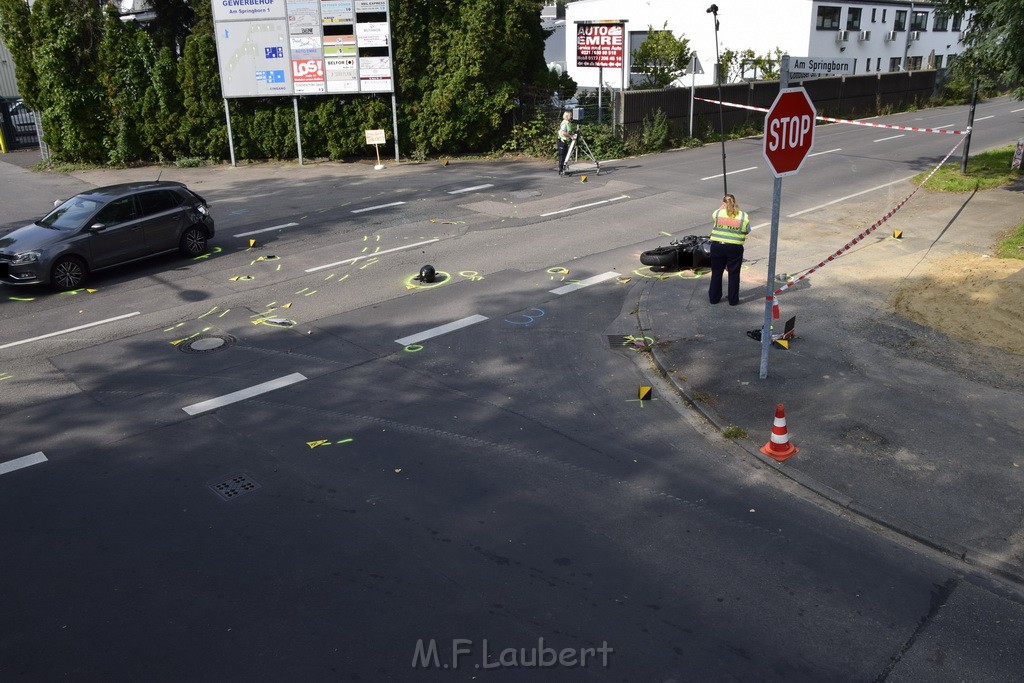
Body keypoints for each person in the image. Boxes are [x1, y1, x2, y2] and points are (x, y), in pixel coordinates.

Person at [708, 194, 750, 306]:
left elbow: (716, 219)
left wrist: (721, 208)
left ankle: (714, 298)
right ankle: (733, 300)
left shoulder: (717, 213)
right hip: (734, 248)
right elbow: (747, 230)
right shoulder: (743, 216)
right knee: (734, 274)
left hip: (717, 247)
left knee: (716, 273)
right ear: (735, 202)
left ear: (723, 203)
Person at [557, 111, 575, 176]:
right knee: (562, 156)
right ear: (567, 116)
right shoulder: (564, 123)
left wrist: (573, 133)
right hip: (562, 142)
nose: (572, 117)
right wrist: (570, 136)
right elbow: (563, 132)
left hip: (565, 142)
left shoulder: (568, 123)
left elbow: (569, 131)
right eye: (570, 115)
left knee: (565, 156)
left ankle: (564, 170)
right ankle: (561, 170)